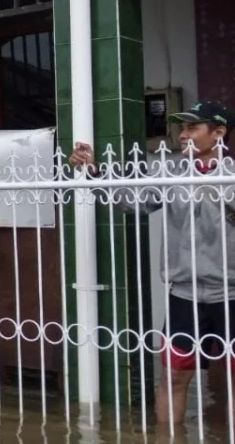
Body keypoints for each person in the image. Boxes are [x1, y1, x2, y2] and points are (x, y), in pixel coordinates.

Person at [70, 100, 233, 425]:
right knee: (173, 378)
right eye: (182, 128)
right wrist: (94, 173)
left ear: (219, 133)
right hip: (183, 295)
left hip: (232, 296)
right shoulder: (169, 171)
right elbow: (134, 203)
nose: (184, 135)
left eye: (193, 128)